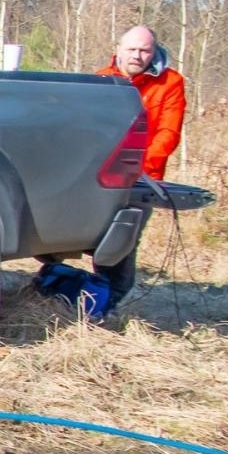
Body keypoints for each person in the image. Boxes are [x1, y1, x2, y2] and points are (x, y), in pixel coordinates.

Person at [92, 24, 187, 307]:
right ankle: (90, 292)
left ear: (154, 52)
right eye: (131, 49)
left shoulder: (170, 83)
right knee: (97, 236)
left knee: (124, 239)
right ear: (118, 49)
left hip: (142, 178)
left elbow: (168, 133)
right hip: (100, 177)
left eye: (144, 50)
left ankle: (113, 301)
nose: (137, 55)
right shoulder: (99, 80)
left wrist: (136, 167)